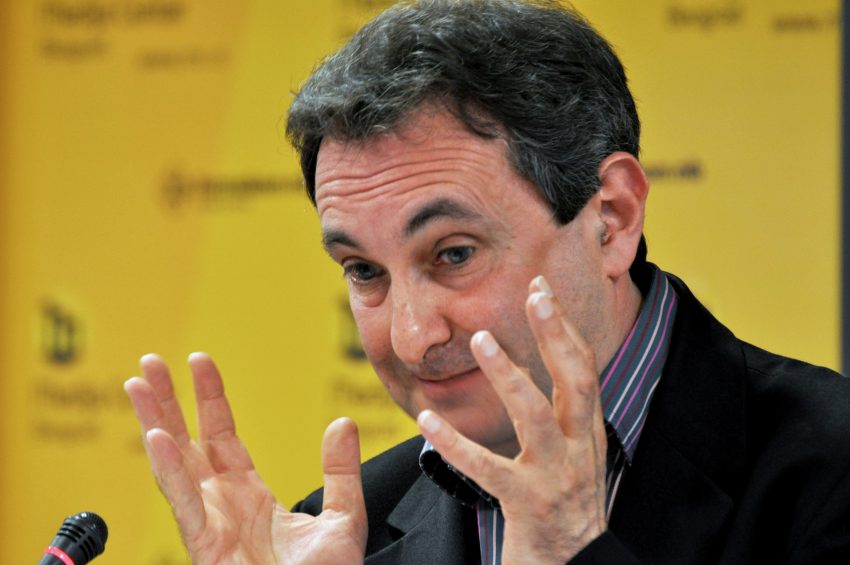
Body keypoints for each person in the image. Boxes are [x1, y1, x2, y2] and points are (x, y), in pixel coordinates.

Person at [124, 0, 850, 563]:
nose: (412, 337)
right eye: (365, 271)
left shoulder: (830, 468)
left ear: (612, 219)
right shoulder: (343, 534)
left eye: (454, 254)